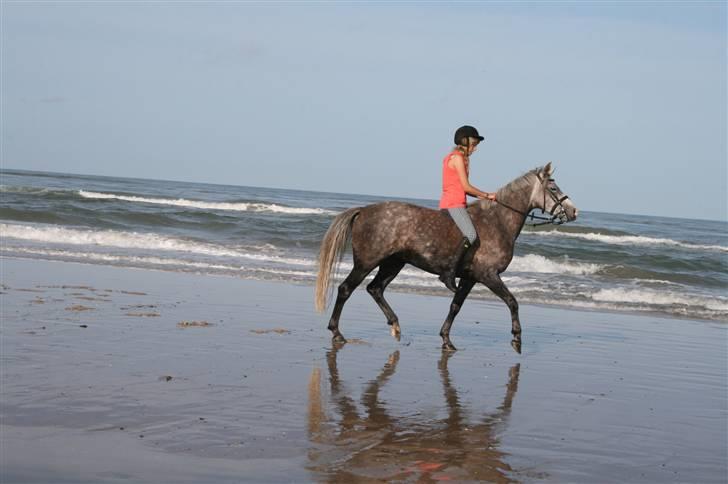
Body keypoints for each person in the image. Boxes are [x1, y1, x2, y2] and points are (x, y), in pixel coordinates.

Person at [438, 125, 497, 292]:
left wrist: (487, 198)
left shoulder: (463, 159)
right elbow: (466, 187)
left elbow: (464, 189)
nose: (475, 148)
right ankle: (448, 273)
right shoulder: (456, 158)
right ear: (464, 142)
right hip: (452, 204)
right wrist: (486, 195)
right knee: (471, 235)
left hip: (459, 202)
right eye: (474, 144)